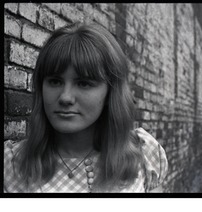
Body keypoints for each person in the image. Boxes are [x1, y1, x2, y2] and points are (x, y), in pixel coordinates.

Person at [4, 22, 168, 193]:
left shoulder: (143, 156)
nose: (65, 97)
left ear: (110, 93)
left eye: (83, 83)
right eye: (55, 81)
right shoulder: (12, 165)